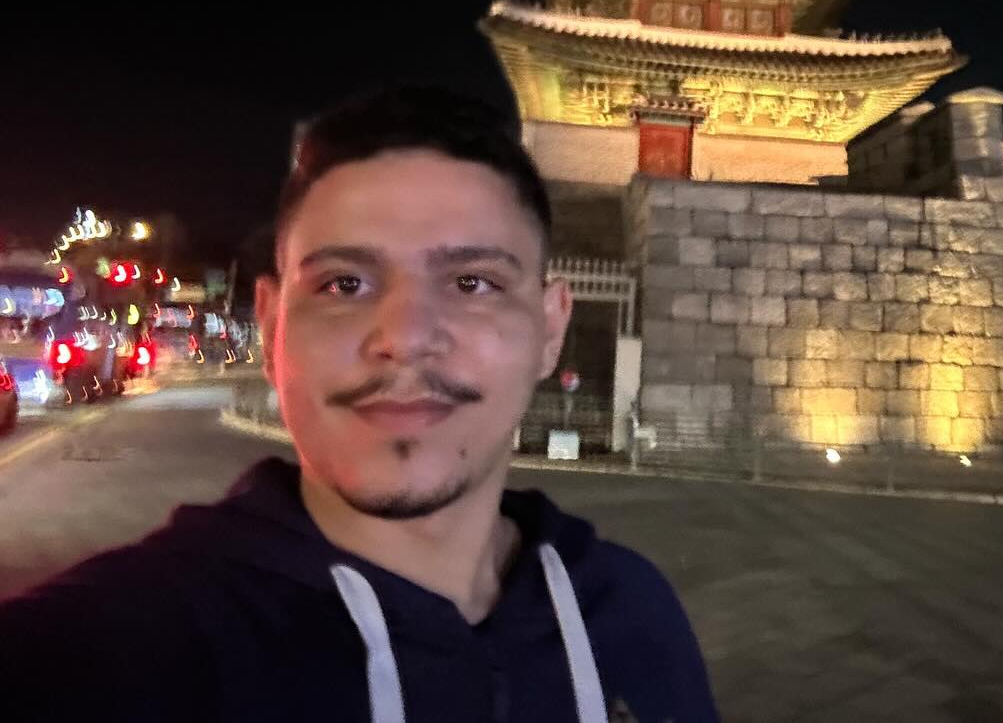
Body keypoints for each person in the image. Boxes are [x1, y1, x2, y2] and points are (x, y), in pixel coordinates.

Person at [0, 87, 718, 723]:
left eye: (473, 283)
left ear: (550, 327)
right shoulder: (108, 653)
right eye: (344, 284)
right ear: (275, 323)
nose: (404, 340)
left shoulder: (633, 619)